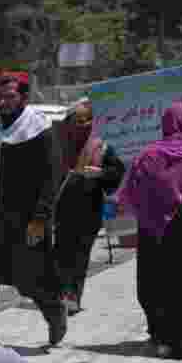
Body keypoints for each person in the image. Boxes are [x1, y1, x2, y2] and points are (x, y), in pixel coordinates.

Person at [0, 70, 66, 345]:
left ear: (24, 97)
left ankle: (54, 310)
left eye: (9, 97)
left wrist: (40, 218)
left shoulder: (39, 130)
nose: (3, 102)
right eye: (0, 96)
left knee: (29, 280)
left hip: (24, 220)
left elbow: (51, 177)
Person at [116, 101, 182, 359]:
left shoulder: (148, 155)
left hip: (152, 226)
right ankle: (180, 343)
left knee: (152, 281)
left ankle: (160, 335)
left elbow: (131, 191)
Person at [54, 99, 125, 314]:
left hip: (89, 211)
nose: (83, 126)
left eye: (87, 122)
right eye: (78, 122)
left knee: (80, 256)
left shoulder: (101, 148)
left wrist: (101, 174)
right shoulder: (57, 146)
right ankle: (61, 295)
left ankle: (73, 296)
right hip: (61, 211)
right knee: (61, 255)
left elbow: (117, 172)